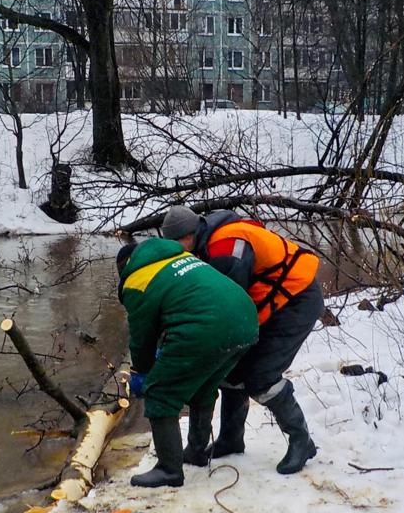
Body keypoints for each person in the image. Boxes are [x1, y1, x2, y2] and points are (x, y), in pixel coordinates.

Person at [159, 205, 324, 475]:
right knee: (232, 369)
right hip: (273, 299)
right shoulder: (207, 240)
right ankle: (231, 439)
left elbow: (230, 308)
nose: (174, 253)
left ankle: (301, 441)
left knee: (262, 376)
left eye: (175, 245)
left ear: (187, 236)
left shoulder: (225, 250)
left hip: (297, 300)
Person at [116, 238, 258, 488]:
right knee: (203, 385)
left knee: (160, 394)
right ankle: (196, 451)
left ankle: (169, 470)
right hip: (246, 321)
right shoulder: (178, 257)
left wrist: (142, 373)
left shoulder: (137, 280)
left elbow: (141, 339)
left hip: (207, 327)